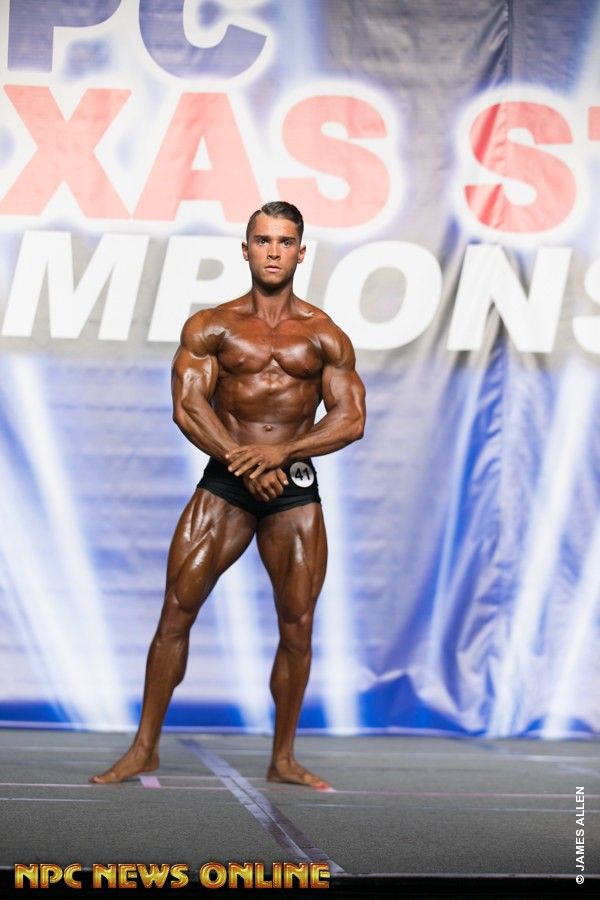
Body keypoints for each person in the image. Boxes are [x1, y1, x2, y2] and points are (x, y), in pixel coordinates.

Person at [90, 201, 366, 789]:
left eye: (284, 241)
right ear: (245, 250)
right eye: (263, 240)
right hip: (226, 484)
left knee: (297, 625)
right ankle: (144, 749)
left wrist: (281, 454)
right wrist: (245, 460)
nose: (273, 251)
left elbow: (351, 419)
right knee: (176, 611)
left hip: (292, 489)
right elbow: (188, 407)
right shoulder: (213, 326)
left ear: (301, 252)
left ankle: (283, 757)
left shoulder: (325, 334)